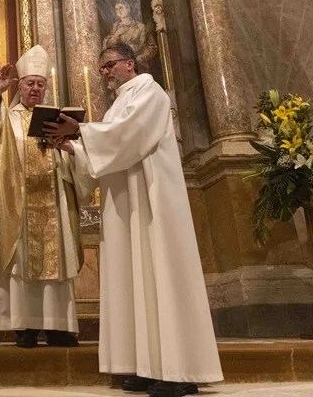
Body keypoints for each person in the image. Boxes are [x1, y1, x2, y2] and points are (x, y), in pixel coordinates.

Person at [45, 42, 222, 397]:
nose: (106, 72)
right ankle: (146, 365)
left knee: (162, 277)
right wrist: (74, 149)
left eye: (109, 65)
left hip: (153, 199)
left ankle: (179, 370)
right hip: (126, 205)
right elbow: (109, 148)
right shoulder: (115, 107)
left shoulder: (150, 91)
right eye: (102, 69)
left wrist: (81, 132)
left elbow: (131, 136)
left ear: (130, 63)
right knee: (136, 281)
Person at [0, 45, 82, 348]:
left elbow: (75, 159)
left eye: (40, 84)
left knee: (56, 264)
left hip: (54, 204)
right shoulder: (9, 118)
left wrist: (67, 147)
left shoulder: (58, 118)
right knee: (21, 264)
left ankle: (58, 328)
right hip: (21, 206)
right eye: (30, 83)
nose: (35, 88)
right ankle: (26, 327)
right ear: (20, 85)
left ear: (46, 87)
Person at [101, 0, 158, 71]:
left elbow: (151, 47)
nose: (119, 11)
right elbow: (109, 47)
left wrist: (141, 57)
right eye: (116, 9)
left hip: (138, 65)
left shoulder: (140, 26)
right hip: (120, 67)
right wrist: (116, 35)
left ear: (128, 9)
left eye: (121, 8)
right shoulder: (115, 27)